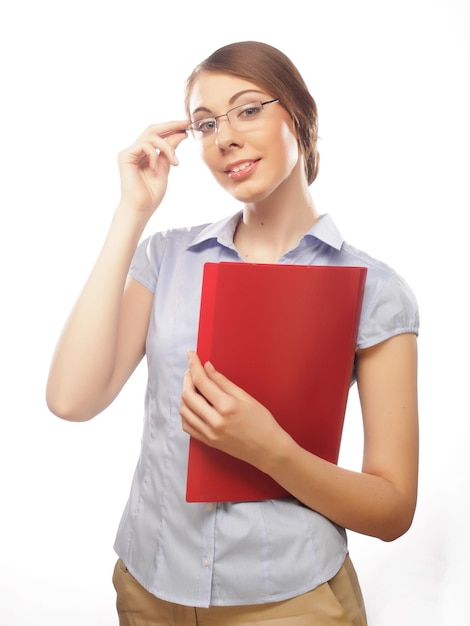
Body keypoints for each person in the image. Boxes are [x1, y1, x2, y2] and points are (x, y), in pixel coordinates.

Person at [46, 41, 419, 626]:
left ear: (297, 115)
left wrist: (269, 450)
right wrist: (132, 212)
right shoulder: (167, 256)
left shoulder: (374, 288)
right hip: (149, 589)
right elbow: (70, 400)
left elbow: (394, 509)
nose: (223, 137)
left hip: (290, 603)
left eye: (247, 110)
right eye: (204, 123)